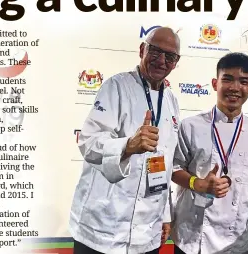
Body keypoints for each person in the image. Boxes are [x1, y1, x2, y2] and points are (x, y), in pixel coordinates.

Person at [69, 27, 181, 254]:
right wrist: (128, 146)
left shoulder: (172, 101)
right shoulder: (116, 86)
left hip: (147, 234)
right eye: (156, 51)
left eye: (169, 56)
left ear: (176, 62)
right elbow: (88, 142)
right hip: (102, 229)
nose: (161, 61)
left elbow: (166, 164)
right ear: (142, 50)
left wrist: (165, 216)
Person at [171, 52, 248, 254]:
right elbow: (172, 169)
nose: (235, 88)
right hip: (193, 236)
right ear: (215, 83)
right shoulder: (190, 126)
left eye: (243, 81)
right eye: (228, 79)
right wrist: (196, 183)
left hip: (237, 240)